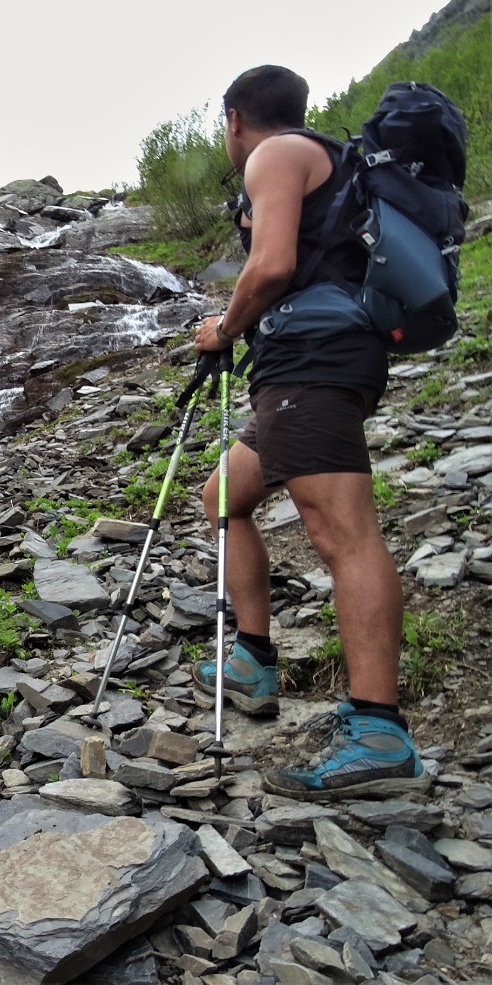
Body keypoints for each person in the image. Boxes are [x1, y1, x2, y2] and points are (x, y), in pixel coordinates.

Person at [191, 65, 428, 800]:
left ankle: (378, 732)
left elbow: (271, 264)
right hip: (302, 371)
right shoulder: (322, 156)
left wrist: (223, 328)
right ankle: (253, 658)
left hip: (316, 366)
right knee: (221, 496)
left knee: (340, 531)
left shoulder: (275, 155)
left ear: (234, 119)